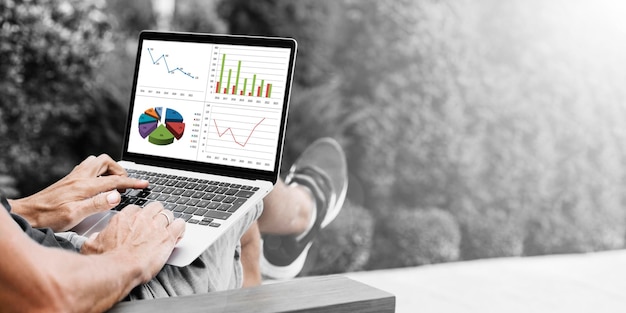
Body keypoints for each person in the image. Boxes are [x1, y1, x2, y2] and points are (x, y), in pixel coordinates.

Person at [0, 138, 347, 311]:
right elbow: (48, 296)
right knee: (241, 189)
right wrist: (127, 258)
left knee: (208, 191)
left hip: (42, 247)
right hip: (103, 288)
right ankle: (307, 210)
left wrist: (28, 209)